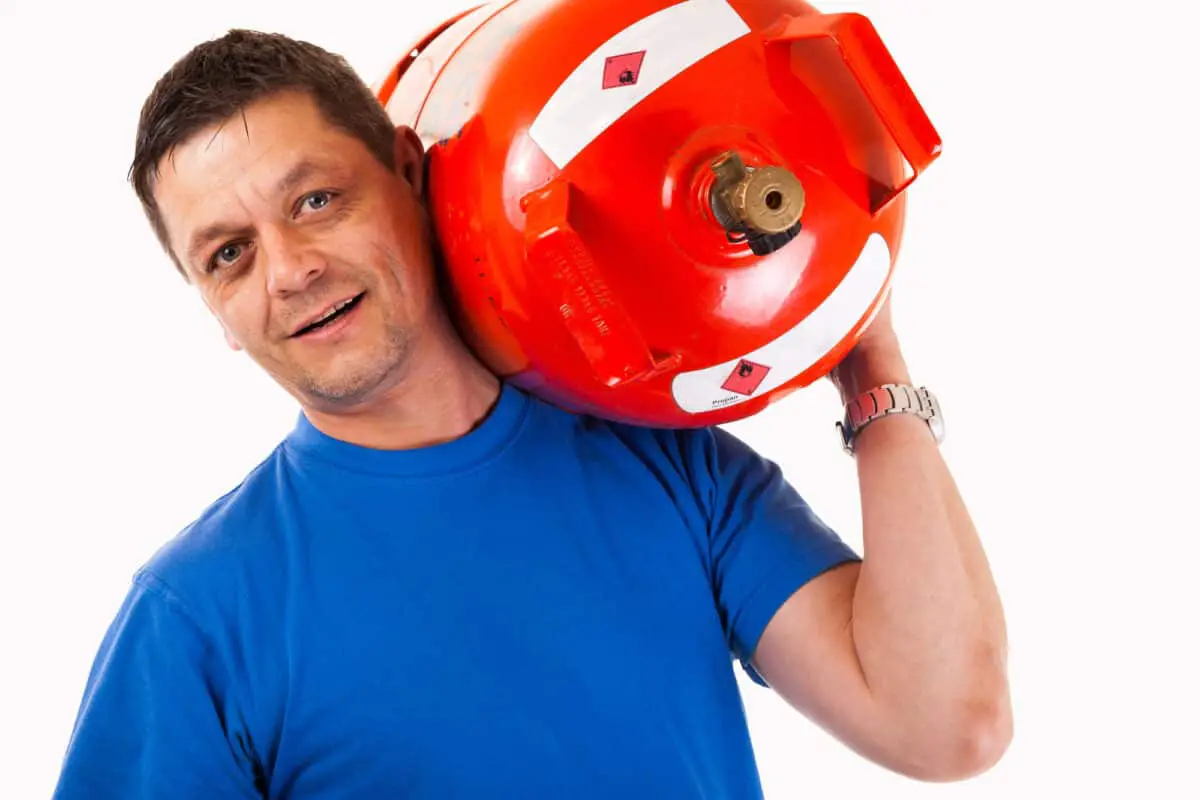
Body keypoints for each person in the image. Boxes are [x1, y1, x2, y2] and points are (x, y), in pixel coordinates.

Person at [52, 29, 1011, 799]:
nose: (291, 269)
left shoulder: (671, 468)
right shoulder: (197, 617)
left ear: (408, 170)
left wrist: (865, 352)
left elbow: (945, 726)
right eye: (228, 255)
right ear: (211, 310)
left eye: (316, 199)